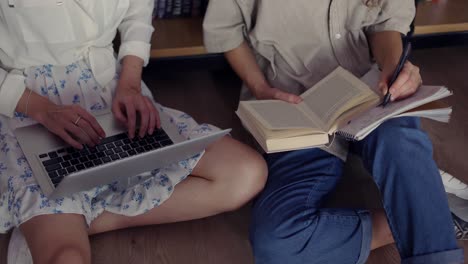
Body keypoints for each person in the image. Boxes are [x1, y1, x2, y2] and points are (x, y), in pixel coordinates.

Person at [0, 1, 268, 263]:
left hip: (110, 92)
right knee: (66, 257)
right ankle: (53, 222)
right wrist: (42, 110)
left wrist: (130, 83)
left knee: (245, 174)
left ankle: (69, 220)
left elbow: (138, 12)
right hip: (27, 103)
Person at [203, 0, 463, 263]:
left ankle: (423, 219)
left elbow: (385, 22)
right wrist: (259, 87)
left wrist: (394, 67)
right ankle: (425, 215)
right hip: (293, 102)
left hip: (370, 90)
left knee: (400, 142)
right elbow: (225, 29)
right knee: (277, 243)